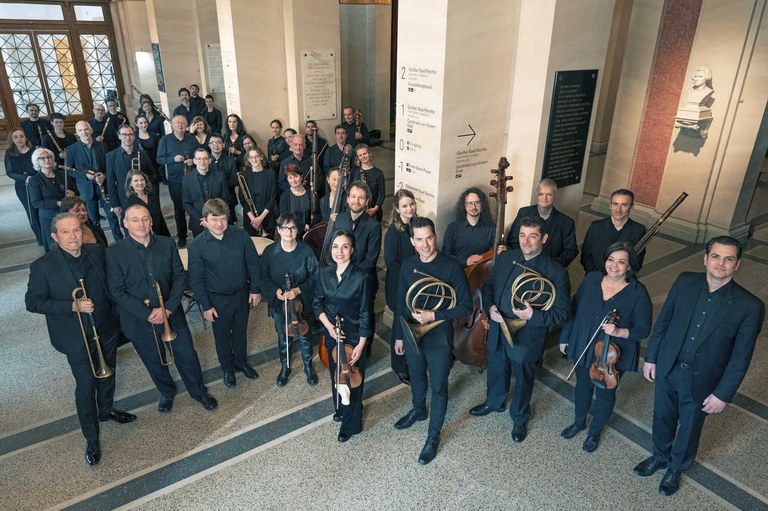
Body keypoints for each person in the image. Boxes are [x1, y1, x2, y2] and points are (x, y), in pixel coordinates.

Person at [634, 236, 764, 496]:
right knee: (662, 416)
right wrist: (651, 357)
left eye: (729, 259)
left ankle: (676, 467)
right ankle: (659, 456)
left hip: (704, 379)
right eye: (715, 256)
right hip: (669, 367)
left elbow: (741, 357)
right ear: (705, 259)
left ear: (737, 264)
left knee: (690, 425)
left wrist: (723, 394)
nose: (721, 263)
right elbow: (664, 322)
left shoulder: (750, 306)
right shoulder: (685, 281)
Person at [25, 213, 136, 466]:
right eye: (66, 232)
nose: (73, 236)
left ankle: (106, 410)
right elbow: (32, 302)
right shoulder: (43, 266)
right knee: (86, 384)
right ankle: (91, 437)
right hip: (75, 336)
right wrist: (71, 306)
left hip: (106, 328)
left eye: (76, 230)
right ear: (55, 237)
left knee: (108, 373)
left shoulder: (96, 252)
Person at [106, 203, 218, 413]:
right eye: (135, 220)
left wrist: (167, 309)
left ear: (151, 221)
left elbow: (179, 277)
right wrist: (148, 313)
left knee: (187, 355)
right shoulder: (114, 253)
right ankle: (166, 391)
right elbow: (117, 291)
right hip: (139, 319)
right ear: (125, 224)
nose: (141, 224)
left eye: (145, 219)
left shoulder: (167, 244)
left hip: (171, 313)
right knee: (153, 359)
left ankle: (199, 391)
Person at [469, 216, 570, 443]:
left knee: (524, 378)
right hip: (499, 326)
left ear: (544, 238)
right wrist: (490, 307)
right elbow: (489, 286)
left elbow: (563, 313)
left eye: (532, 236)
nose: (526, 241)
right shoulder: (507, 258)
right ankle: (494, 402)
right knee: (496, 367)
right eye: (523, 235)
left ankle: (520, 416)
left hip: (527, 336)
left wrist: (534, 315)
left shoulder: (556, 272)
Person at [393, 217, 472, 464]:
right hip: (413, 332)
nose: (425, 244)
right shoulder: (408, 265)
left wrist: (434, 315)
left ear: (435, 237)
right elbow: (400, 304)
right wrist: (399, 336)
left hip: (439, 336)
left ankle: (433, 436)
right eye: (419, 239)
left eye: (429, 237)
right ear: (412, 241)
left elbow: (466, 306)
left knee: (438, 387)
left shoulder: (451, 267)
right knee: (416, 376)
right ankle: (418, 410)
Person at [559, 242, 652, 452]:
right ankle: (578, 422)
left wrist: (619, 332)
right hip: (584, 344)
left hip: (612, 354)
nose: (614, 266)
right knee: (583, 386)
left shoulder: (638, 292)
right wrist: (565, 337)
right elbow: (574, 310)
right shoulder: (591, 279)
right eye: (611, 259)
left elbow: (643, 329)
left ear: (630, 266)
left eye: (621, 262)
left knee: (605, 393)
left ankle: (594, 432)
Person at [188, 198, 261, 387]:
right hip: (216, 300)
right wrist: (206, 306)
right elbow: (196, 280)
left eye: (223, 219)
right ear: (205, 220)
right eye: (214, 219)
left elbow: (253, 262)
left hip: (241, 294)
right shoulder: (196, 246)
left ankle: (241, 362)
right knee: (221, 337)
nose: (219, 224)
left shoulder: (241, 235)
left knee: (240, 332)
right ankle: (227, 368)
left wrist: (255, 289)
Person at [314, 230, 372, 442]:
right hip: (332, 335)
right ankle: (341, 408)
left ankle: (351, 425)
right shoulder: (324, 274)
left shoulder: (361, 278)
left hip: (354, 338)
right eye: (335, 246)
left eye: (345, 246)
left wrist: (362, 344)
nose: (340, 251)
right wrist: (329, 327)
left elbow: (365, 313)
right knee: (336, 376)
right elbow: (317, 303)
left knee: (352, 381)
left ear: (352, 249)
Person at [260, 213, 320, 386]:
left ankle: (308, 367)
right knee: (283, 337)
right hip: (280, 305)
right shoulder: (270, 252)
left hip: (303, 303)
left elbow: (316, 277)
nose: (289, 231)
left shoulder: (306, 251)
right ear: (278, 230)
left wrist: (298, 290)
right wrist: (275, 291)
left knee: (305, 336)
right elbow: (263, 277)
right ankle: (285, 367)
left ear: (297, 230)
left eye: (293, 227)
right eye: (285, 228)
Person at [334, 181, 382, 343]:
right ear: (347, 199)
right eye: (353, 196)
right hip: (341, 279)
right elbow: (334, 248)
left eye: (361, 198)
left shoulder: (374, 226)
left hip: (363, 280)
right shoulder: (339, 219)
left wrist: (349, 277)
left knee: (365, 316)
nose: (356, 201)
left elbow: (371, 259)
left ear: (367, 201)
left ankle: (366, 349)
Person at [66, 121, 122, 241]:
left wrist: (104, 175)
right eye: (80, 130)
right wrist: (85, 176)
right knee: (93, 219)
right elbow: (69, 171)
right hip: (86, 190)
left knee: (112, 216)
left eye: (86, 129)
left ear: (91, 130)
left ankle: (119, 241)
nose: (84, 132)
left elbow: (110, 166)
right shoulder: (71, 149)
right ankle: (100, 243)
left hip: (104, 186)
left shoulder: (102, 146)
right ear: (77, 133)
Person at [384, 189, 417, 383]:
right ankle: (399, 366)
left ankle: (412, 359)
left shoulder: (417, 225)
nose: (409, 208)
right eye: (404, 206)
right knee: (400, 322)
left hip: (416, 283)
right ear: (397, 209)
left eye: (411, 204)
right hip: (399, 283)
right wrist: (407, 278)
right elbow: (390, 261)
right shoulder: (393, 231)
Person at [506, 179, 578, 268]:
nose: (544, 198)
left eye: (549, 195)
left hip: (550, 269)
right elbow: (512, 241)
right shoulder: (523, 212)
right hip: (522, 264)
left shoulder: (566, 222)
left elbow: (570, 251)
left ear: (554, 196)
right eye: (541, 194)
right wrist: (524, 260)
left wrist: (549, 265)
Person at [581, 189, 646, 273]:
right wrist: (595, 275)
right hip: (594, 275)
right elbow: (585, 256)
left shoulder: (639, 231)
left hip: (621, 278)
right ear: (610, 205)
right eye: (615, 204)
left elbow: (637, 262)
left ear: (631, 206)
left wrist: (618, 277)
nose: (618, 209)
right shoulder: (595, 226)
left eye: (624, 205)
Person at [157, 115, 197, 247]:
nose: (180, 125)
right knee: (179, 209)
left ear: (186, 125)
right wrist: (173, 159)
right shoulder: (165, 140)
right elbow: (159, 159)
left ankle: (197, 232)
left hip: (191, 179)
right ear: (172, 125)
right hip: (175, 181)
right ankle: (182, 236)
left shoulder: (191, 139)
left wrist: (193, 161)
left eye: (183, 123)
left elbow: (198, 154)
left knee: (194, 206)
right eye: (177, 123)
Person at [106, 125, 155, 231]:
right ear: (119, 136)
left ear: (134, 136)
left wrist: (144, 185)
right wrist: (115, 204)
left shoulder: (142, 153)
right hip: (124, 198)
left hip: (142, 196)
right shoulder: (111, 156)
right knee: (129, 227)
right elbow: (110, 182)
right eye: (124, 134)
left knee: (146, 225)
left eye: (130, 134)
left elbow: (153, 174)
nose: (127, 137)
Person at [29, 147, 76, 251]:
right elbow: (36, 203)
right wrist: (57, 203)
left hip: (66, 213)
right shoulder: (34, 180)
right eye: (42, 158)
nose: (47, 160)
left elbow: (76, 191)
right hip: (49, 217)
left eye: (49, 157)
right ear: (37, 161)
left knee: (70, 242)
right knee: (54, 246)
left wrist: (72, 194)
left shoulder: (62, 174)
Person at [5, 128, 42, 245]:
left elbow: (41, 167)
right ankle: (40, 239)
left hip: (38, 185)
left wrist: (35, 178)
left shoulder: (35, 151)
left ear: (26, 138)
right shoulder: (9, 153)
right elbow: (9, 172)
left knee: (42, 211)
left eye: (21, 136)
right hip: (22, 187)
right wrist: (24, 178)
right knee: (32, 213)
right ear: (12, 140)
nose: (19, 139)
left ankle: (48, 236)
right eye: (15, 137)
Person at [183, 147, 231, 238]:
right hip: (199, 222)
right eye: (199, 159)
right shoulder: (187, 179)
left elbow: (226, 199)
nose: (202, 162)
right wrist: (204, 220)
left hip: (219, 221)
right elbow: (186, 204)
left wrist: (215, 218)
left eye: (205, 158)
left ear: (209, 160)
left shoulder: (220, 176)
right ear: (194, 161)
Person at [442, 187, 495, 267]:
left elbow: (498, 252)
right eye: (470, 203)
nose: (473, 207)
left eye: (477, 203)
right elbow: (446, 255)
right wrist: (466, 261)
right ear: (464, 205)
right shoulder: (452, 228)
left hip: (483, 271)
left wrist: (503, 249)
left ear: (482, 204)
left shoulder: (492, 228)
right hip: (458, 270)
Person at [239, 147, 277, 237]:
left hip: (267, 217)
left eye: (256, 156)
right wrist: (253, 219)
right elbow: (243, 199)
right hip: (250, 219)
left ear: (261, 157)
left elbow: (273, 197)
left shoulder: (270, 174)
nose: (254, 159)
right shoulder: (244, 176)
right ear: (248, 160)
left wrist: (260, 218)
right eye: (251, 157)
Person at [125, 170, 170, 237]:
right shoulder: (129, 203)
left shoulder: (153, 197)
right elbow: (126, 225)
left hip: (159, 234)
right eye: (136, 181)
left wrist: (167, 237)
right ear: (130, 184)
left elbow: (160, 218)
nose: (140, 183)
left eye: (142, 180)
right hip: (143, 237)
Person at [208, 133, 239, 224]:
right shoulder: (205, 160)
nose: (216, 145)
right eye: (213, 143)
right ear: (209, 145)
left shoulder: (230, 160)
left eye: (219, 142)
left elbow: (234, 179)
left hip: (229, 198)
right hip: (210, 199)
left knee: (229, 224)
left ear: (223, 144)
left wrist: (222, 186)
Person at [349, 144, 385, 222]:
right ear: (358, 158)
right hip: (357, 209)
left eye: (365, 153)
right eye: (360, 155)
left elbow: (381, 194)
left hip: (373, 210)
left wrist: (375, 208)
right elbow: (349, 189)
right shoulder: (354, 171)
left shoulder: (378, 173)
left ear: (369, 153)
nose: (363, 156)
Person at [278, 164, 315, 237]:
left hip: (310, 233)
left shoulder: (310, 194)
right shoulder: (284, 196)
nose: (293, 180)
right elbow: (285, 219)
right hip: (291, 234)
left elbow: (317, 214)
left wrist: (310, 227)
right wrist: (302, 227)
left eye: (296, 176)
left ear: (301, 177)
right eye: (290, 178)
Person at [134, 113, 162, 196]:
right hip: (141, 168)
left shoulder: (153, 135)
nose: (144, 125)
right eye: (141, 123)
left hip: (153, 167)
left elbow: (159, 151)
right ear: (136, 124)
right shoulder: (134, 136)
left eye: (145, 122)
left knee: (155, 193)